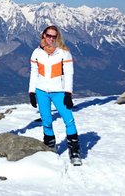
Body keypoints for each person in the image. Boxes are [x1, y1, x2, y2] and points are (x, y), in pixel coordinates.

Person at [28, 25, 82, 166]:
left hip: (59, 91)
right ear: (43, 36)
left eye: (54, 36)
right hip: (41, 91)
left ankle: (74, 151)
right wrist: (32, 92)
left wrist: (68, 93)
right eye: (48, 36)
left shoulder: (64, 53)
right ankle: (50, 148)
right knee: (46, 121)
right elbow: (34, 73)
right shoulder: (36, 53)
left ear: (57, 37)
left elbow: (69, 74)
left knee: (68, 120)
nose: (51, 39)